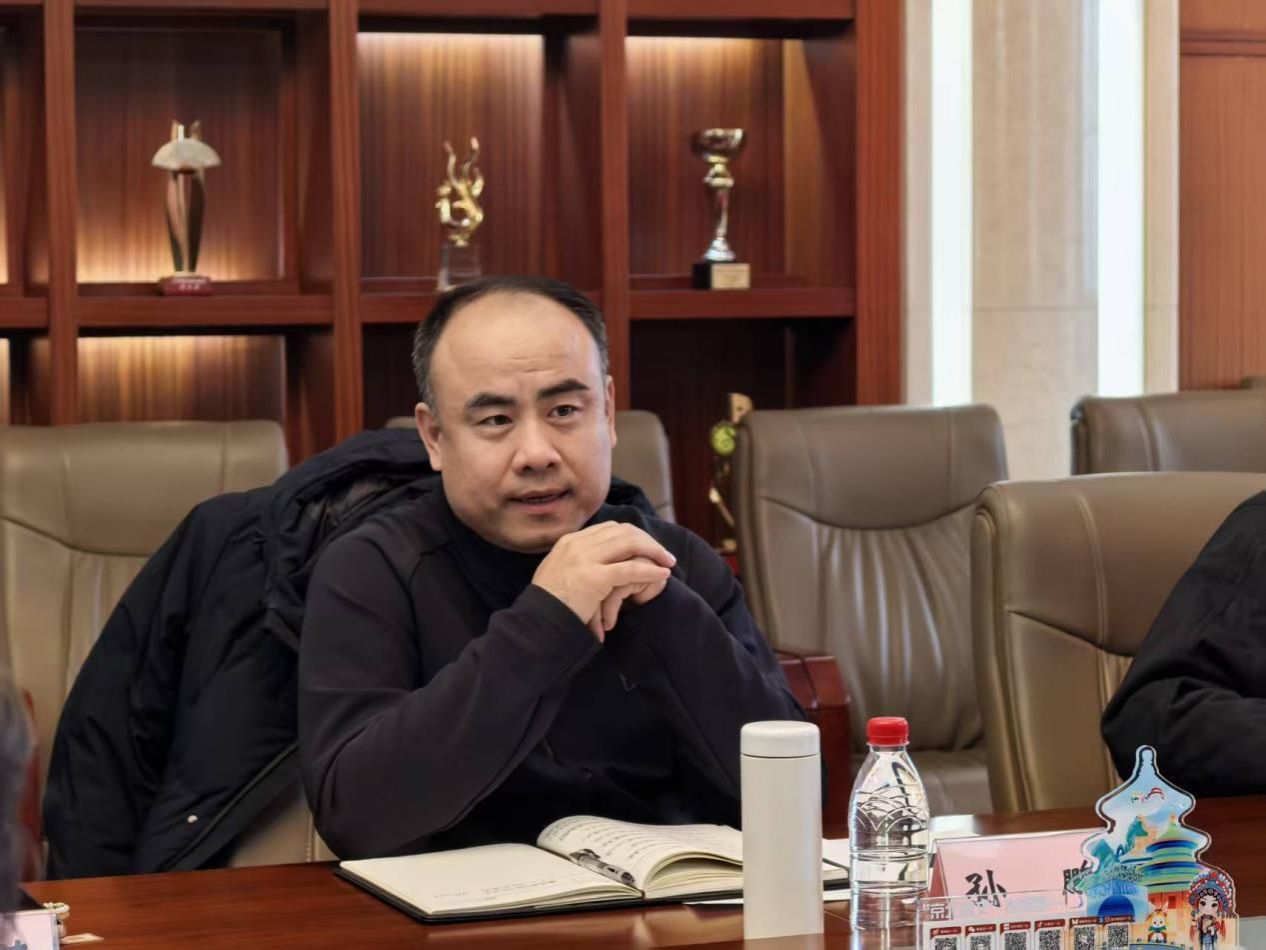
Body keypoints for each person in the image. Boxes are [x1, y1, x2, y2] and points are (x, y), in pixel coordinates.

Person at [298, 276, 808, 859]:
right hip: (458, 905)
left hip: (670, 901)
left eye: (564, 410)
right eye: (496, 420)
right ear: (434, 437)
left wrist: (669, 611)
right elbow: (356, 818)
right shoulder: (372, 569)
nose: (537, 454)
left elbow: (792, 794)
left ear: (607, 413)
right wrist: (547, 619)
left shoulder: (675, 561)